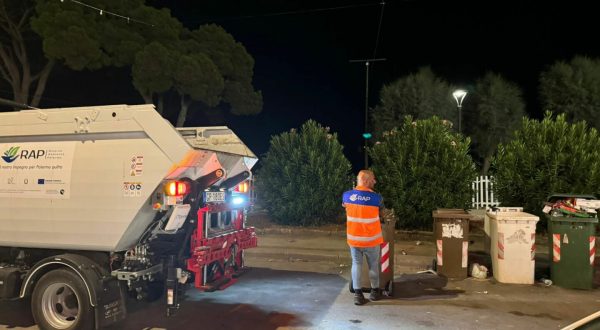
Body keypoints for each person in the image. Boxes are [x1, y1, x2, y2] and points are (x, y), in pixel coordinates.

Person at [342, 170, 383, 305]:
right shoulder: (376, 198)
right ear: (365, 181)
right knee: (373, 266)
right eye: (373, 179)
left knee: (356, 264)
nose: (375, 181)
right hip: (371, 240)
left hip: (354, 240)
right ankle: (375, 292)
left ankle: (358, 295)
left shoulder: (347, 196)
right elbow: (383, 212)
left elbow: (346, 207)